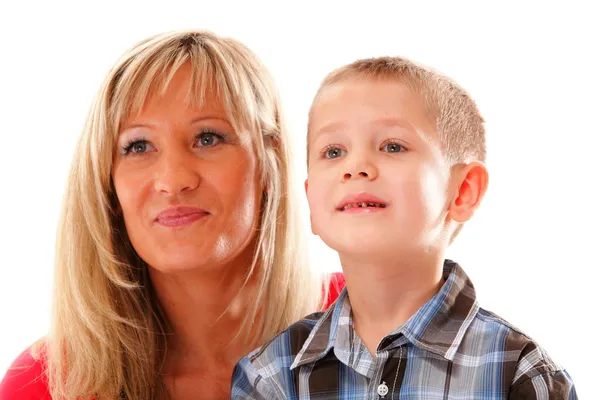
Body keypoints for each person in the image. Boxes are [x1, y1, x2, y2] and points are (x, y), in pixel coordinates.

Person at [0, 30, 344, 400]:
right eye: (138, 146)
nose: (173, 180)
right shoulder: (45, 384)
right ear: (108, 185)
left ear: (268, 162)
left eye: (208, 138)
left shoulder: (378, 319)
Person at [231, 56, 577, 399]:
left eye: (392, 146)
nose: (356, 167)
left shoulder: (520, 373)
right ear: (311, 201)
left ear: (463, 190)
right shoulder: (271, 375)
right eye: (334, 151)